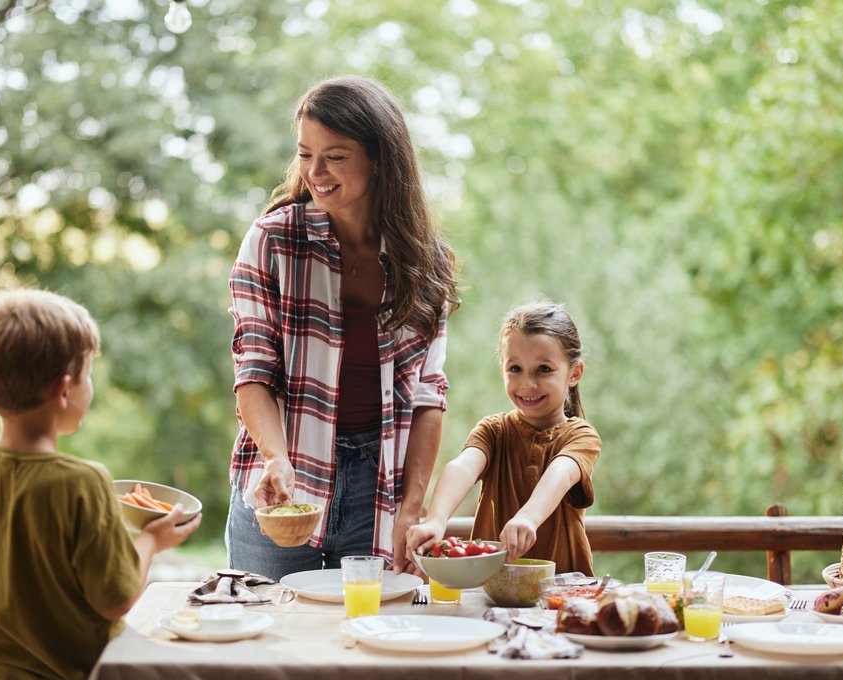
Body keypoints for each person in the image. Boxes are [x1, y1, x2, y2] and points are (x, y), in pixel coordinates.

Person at [225, 75, 459, 579]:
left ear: (379, 158)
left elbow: (427, 398)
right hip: (283, 480)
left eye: (335, 155)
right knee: (269, 639)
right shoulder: (273, 241)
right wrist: (275, 459)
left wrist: (412, 507)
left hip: (376, 489)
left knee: (366, 641)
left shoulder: (427, 264)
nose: (315, 171)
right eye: (305, 154)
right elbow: (253, 371)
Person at [0, 288, 201, 680]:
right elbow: (114, 601)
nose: (90, 385)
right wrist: (151, 540)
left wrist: (20, 608)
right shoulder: (84, 482)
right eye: (88, 374)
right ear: (63, 389)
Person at [406, 301, 601, 575]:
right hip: (491, 588)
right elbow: (462, 467)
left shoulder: (580, 435)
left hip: (561, 590)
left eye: (543, 369)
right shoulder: (493, 430)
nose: (527, 384)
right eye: (515, 369)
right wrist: (436, 521)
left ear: (574, 373)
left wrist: (528, 518)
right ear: (502, 368)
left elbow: (562, 472)